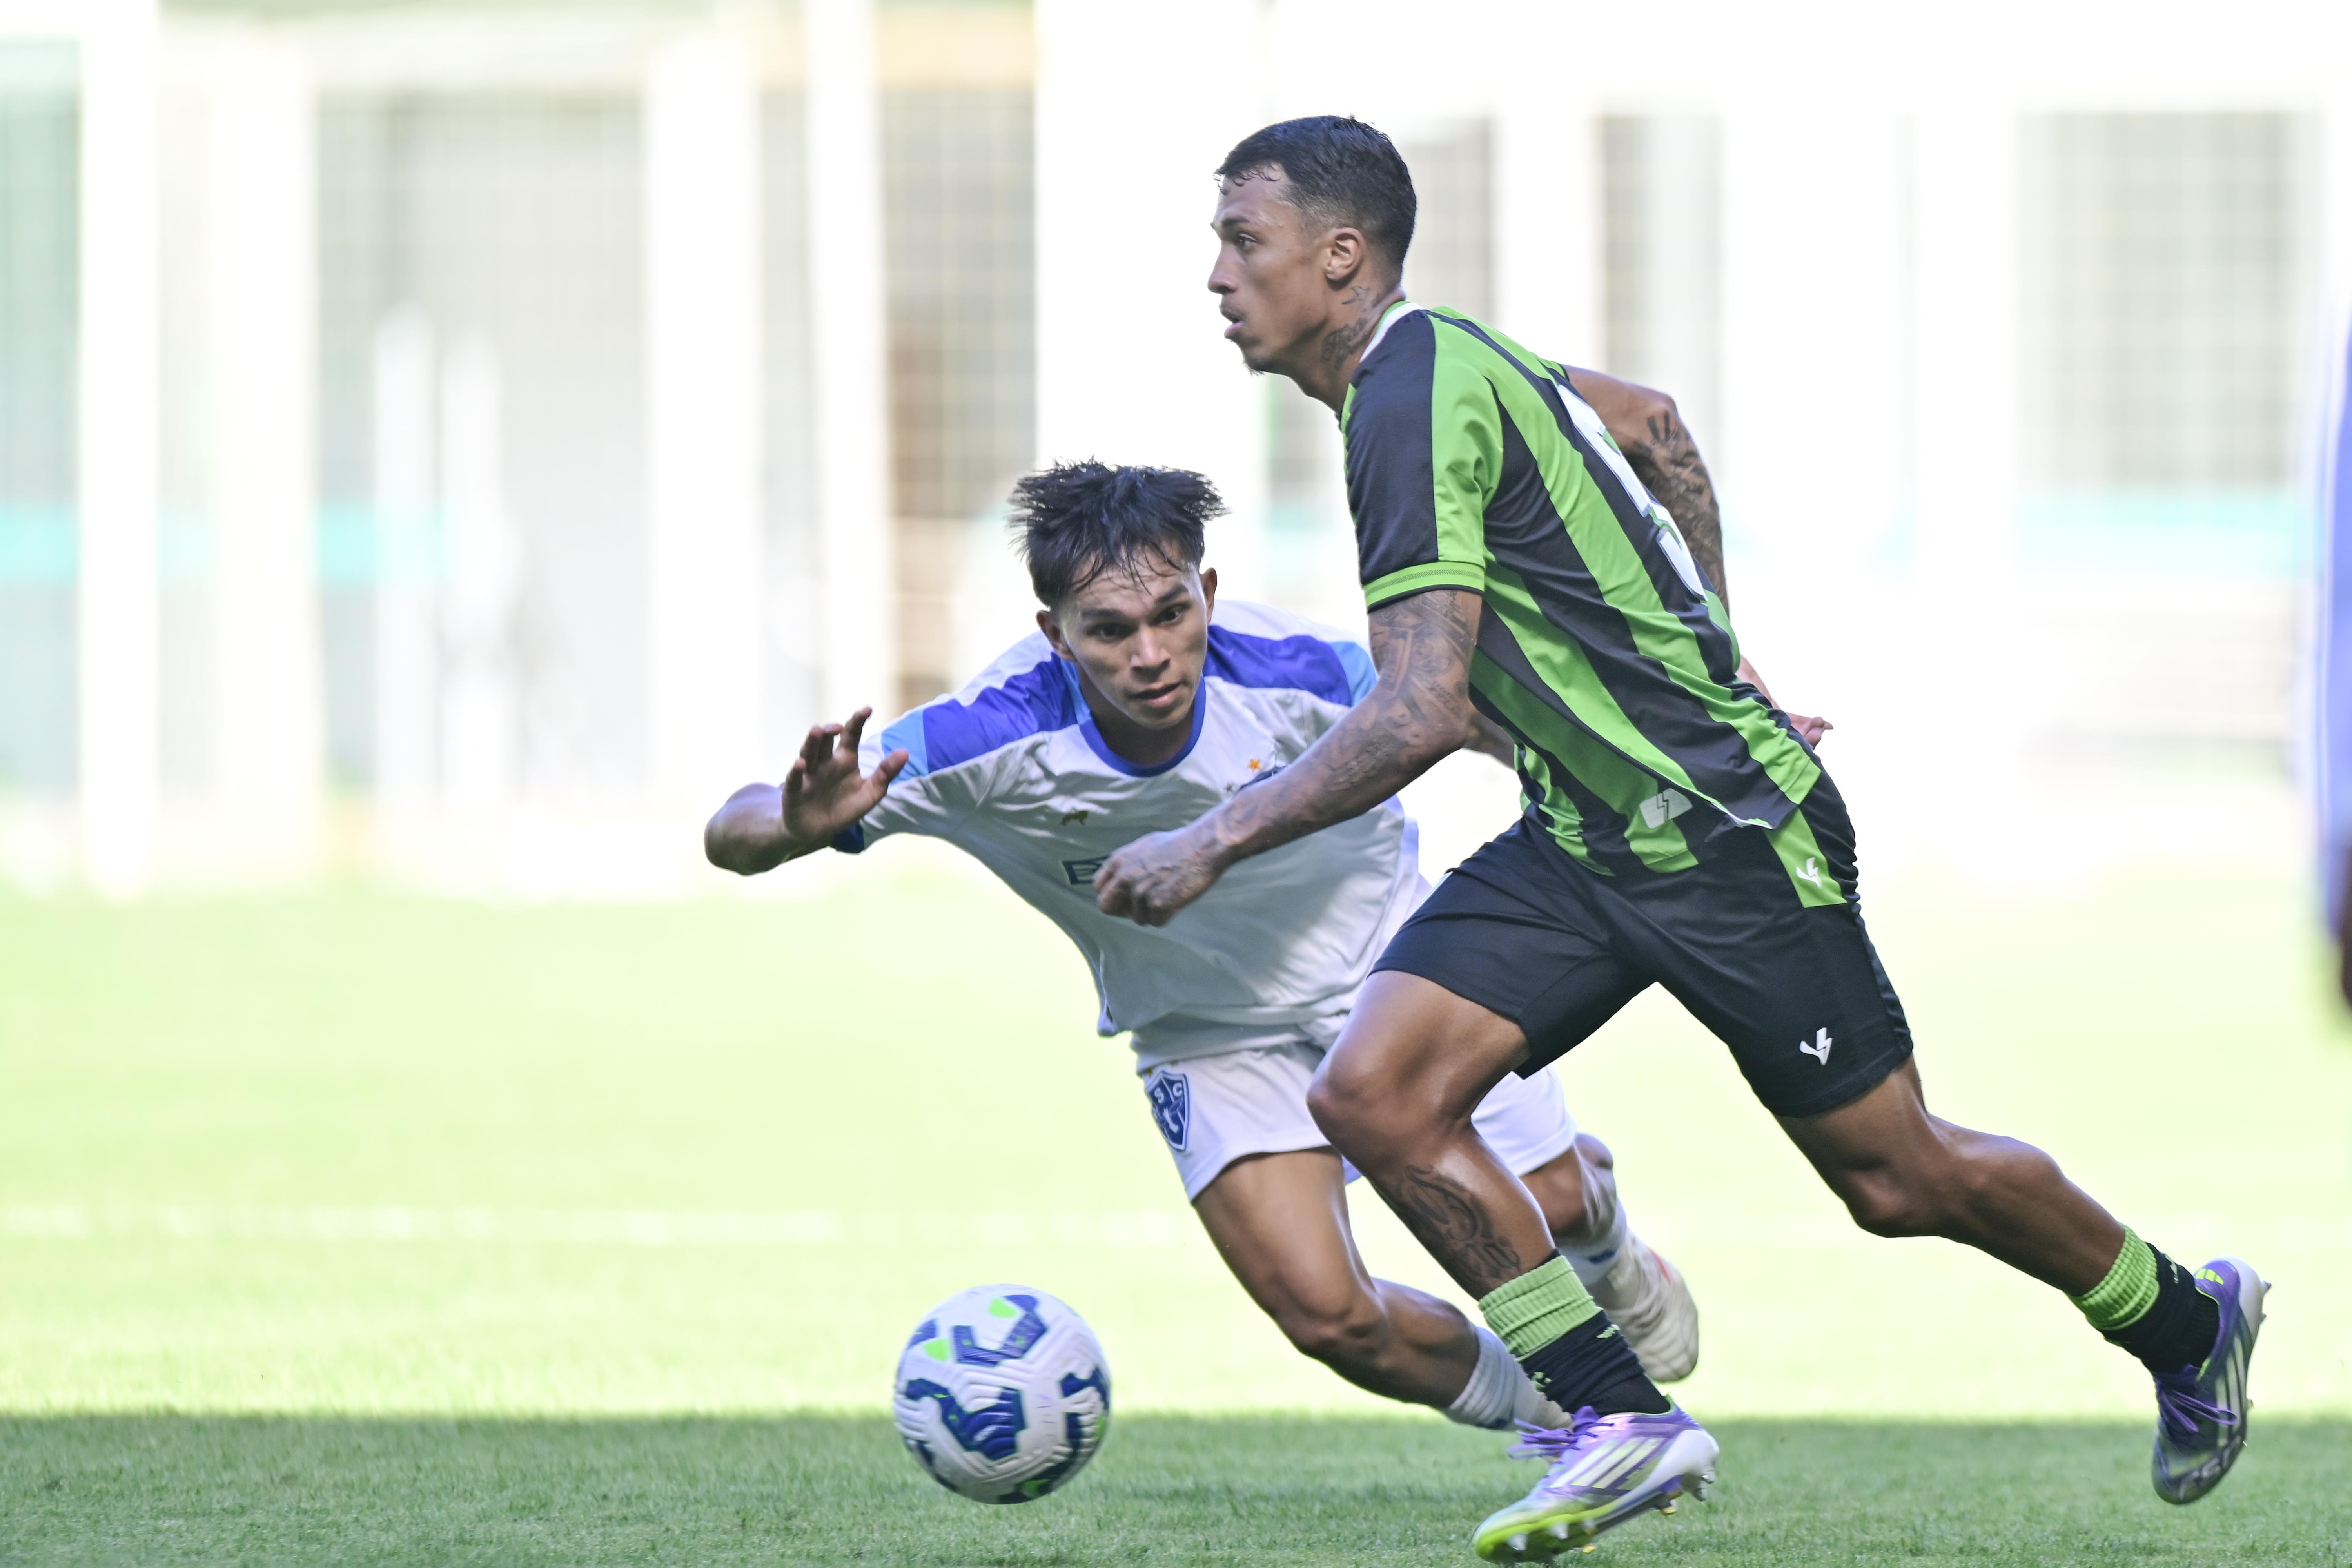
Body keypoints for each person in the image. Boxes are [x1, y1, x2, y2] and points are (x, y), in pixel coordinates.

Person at [1092, 115, 2266, 1559]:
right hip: (1586, 838)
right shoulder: (1443, 361)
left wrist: (1212, 840)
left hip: (1728, 834)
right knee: (1377, 1092)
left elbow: (1419, 705)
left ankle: (2187, 1320)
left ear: (1339, 258)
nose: (1219, 275)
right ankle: (1618, 1419)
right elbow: (1649, 423)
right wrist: (1716, 639)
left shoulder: (1405, 397)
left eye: (1242, 241)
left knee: (1897, 1179)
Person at [706, 459, 1707, 1432]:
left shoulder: (1301, 670)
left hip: (1392, 974)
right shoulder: (989, 736)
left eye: (1171, 614)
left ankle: (1617, 1258)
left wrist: (1676, 769)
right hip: (1206, 1031)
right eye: (1110, 630)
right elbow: (732, 831)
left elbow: (1484, 713)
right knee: (1331, 1317)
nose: (1150, 653)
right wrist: (790, 824)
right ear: (1055, 634)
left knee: (1557, 1200)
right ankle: (1573, 1415)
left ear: (1208, 594)